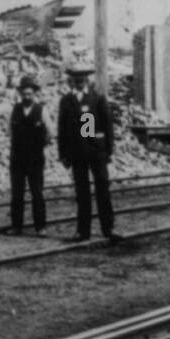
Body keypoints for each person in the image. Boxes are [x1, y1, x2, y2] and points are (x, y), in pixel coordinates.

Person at [57, 65, 122, 244]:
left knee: (102, 190)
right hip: (77, 154)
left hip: (96, 152)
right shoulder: (66, 101)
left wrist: (108, 150)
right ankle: (82, 231)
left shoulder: (97, 99)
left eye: (81, 79)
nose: (78, 82)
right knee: (82, 192)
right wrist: (63, 153)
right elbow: (62, 129)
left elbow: (107, 126)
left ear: (86, 80)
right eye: (75, 79)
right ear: (71, 81)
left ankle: (108, 228)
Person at [5, 75, 49, 236]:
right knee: (17, 193)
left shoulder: (41, 110)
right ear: (20, 94)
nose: (27, 96)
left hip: (35, 158)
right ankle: (17, 226)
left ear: (35, 94)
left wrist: (38, 146)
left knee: (37, 192)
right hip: (17, 158)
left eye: (30, 93)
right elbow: (9, 130)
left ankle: (40, 227)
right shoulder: (14, 110)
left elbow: (49, 133)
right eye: (24, 93)